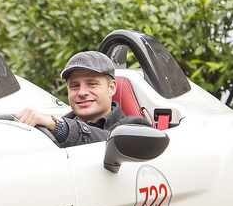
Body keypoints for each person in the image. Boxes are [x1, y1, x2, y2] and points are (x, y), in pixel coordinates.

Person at [15, 51, 150, 147]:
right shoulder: (50, 126)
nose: (82, 92)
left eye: (92, 84)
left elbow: (111, 141)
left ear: (111, 88)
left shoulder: (136, 127)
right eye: (75, 86)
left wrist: (58, 126)